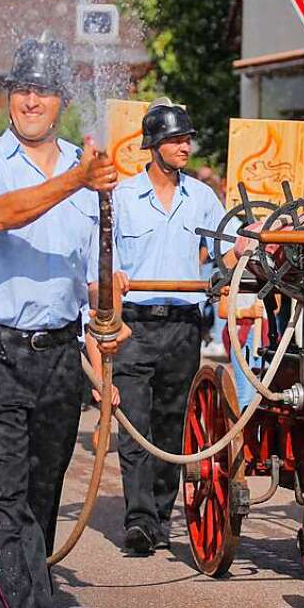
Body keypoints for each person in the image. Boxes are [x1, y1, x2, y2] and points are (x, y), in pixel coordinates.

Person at [0, 36, 126, 608]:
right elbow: (0, 215)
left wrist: (111, 309)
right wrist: (75, 179)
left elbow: (99, 266)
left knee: (42, 497)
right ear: (9, 97)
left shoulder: (91, 171)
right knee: (7, 494)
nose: (31, 100)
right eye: (21, 88)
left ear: (60, 101)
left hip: (57, 353)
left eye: (44, 90)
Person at [109, 98, 225, 554]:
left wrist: (254, 250)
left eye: (187, 139)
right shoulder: (121, 198)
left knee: (172, 422)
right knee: (134, 423)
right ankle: (138, 520)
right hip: (133, 325)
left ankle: (159, 511)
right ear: (153, 146)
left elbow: (226, 249)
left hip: (183, 325)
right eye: (176, 139)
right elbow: (104, 256)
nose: (185, 147)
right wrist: (110, 283)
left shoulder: (203, 197)